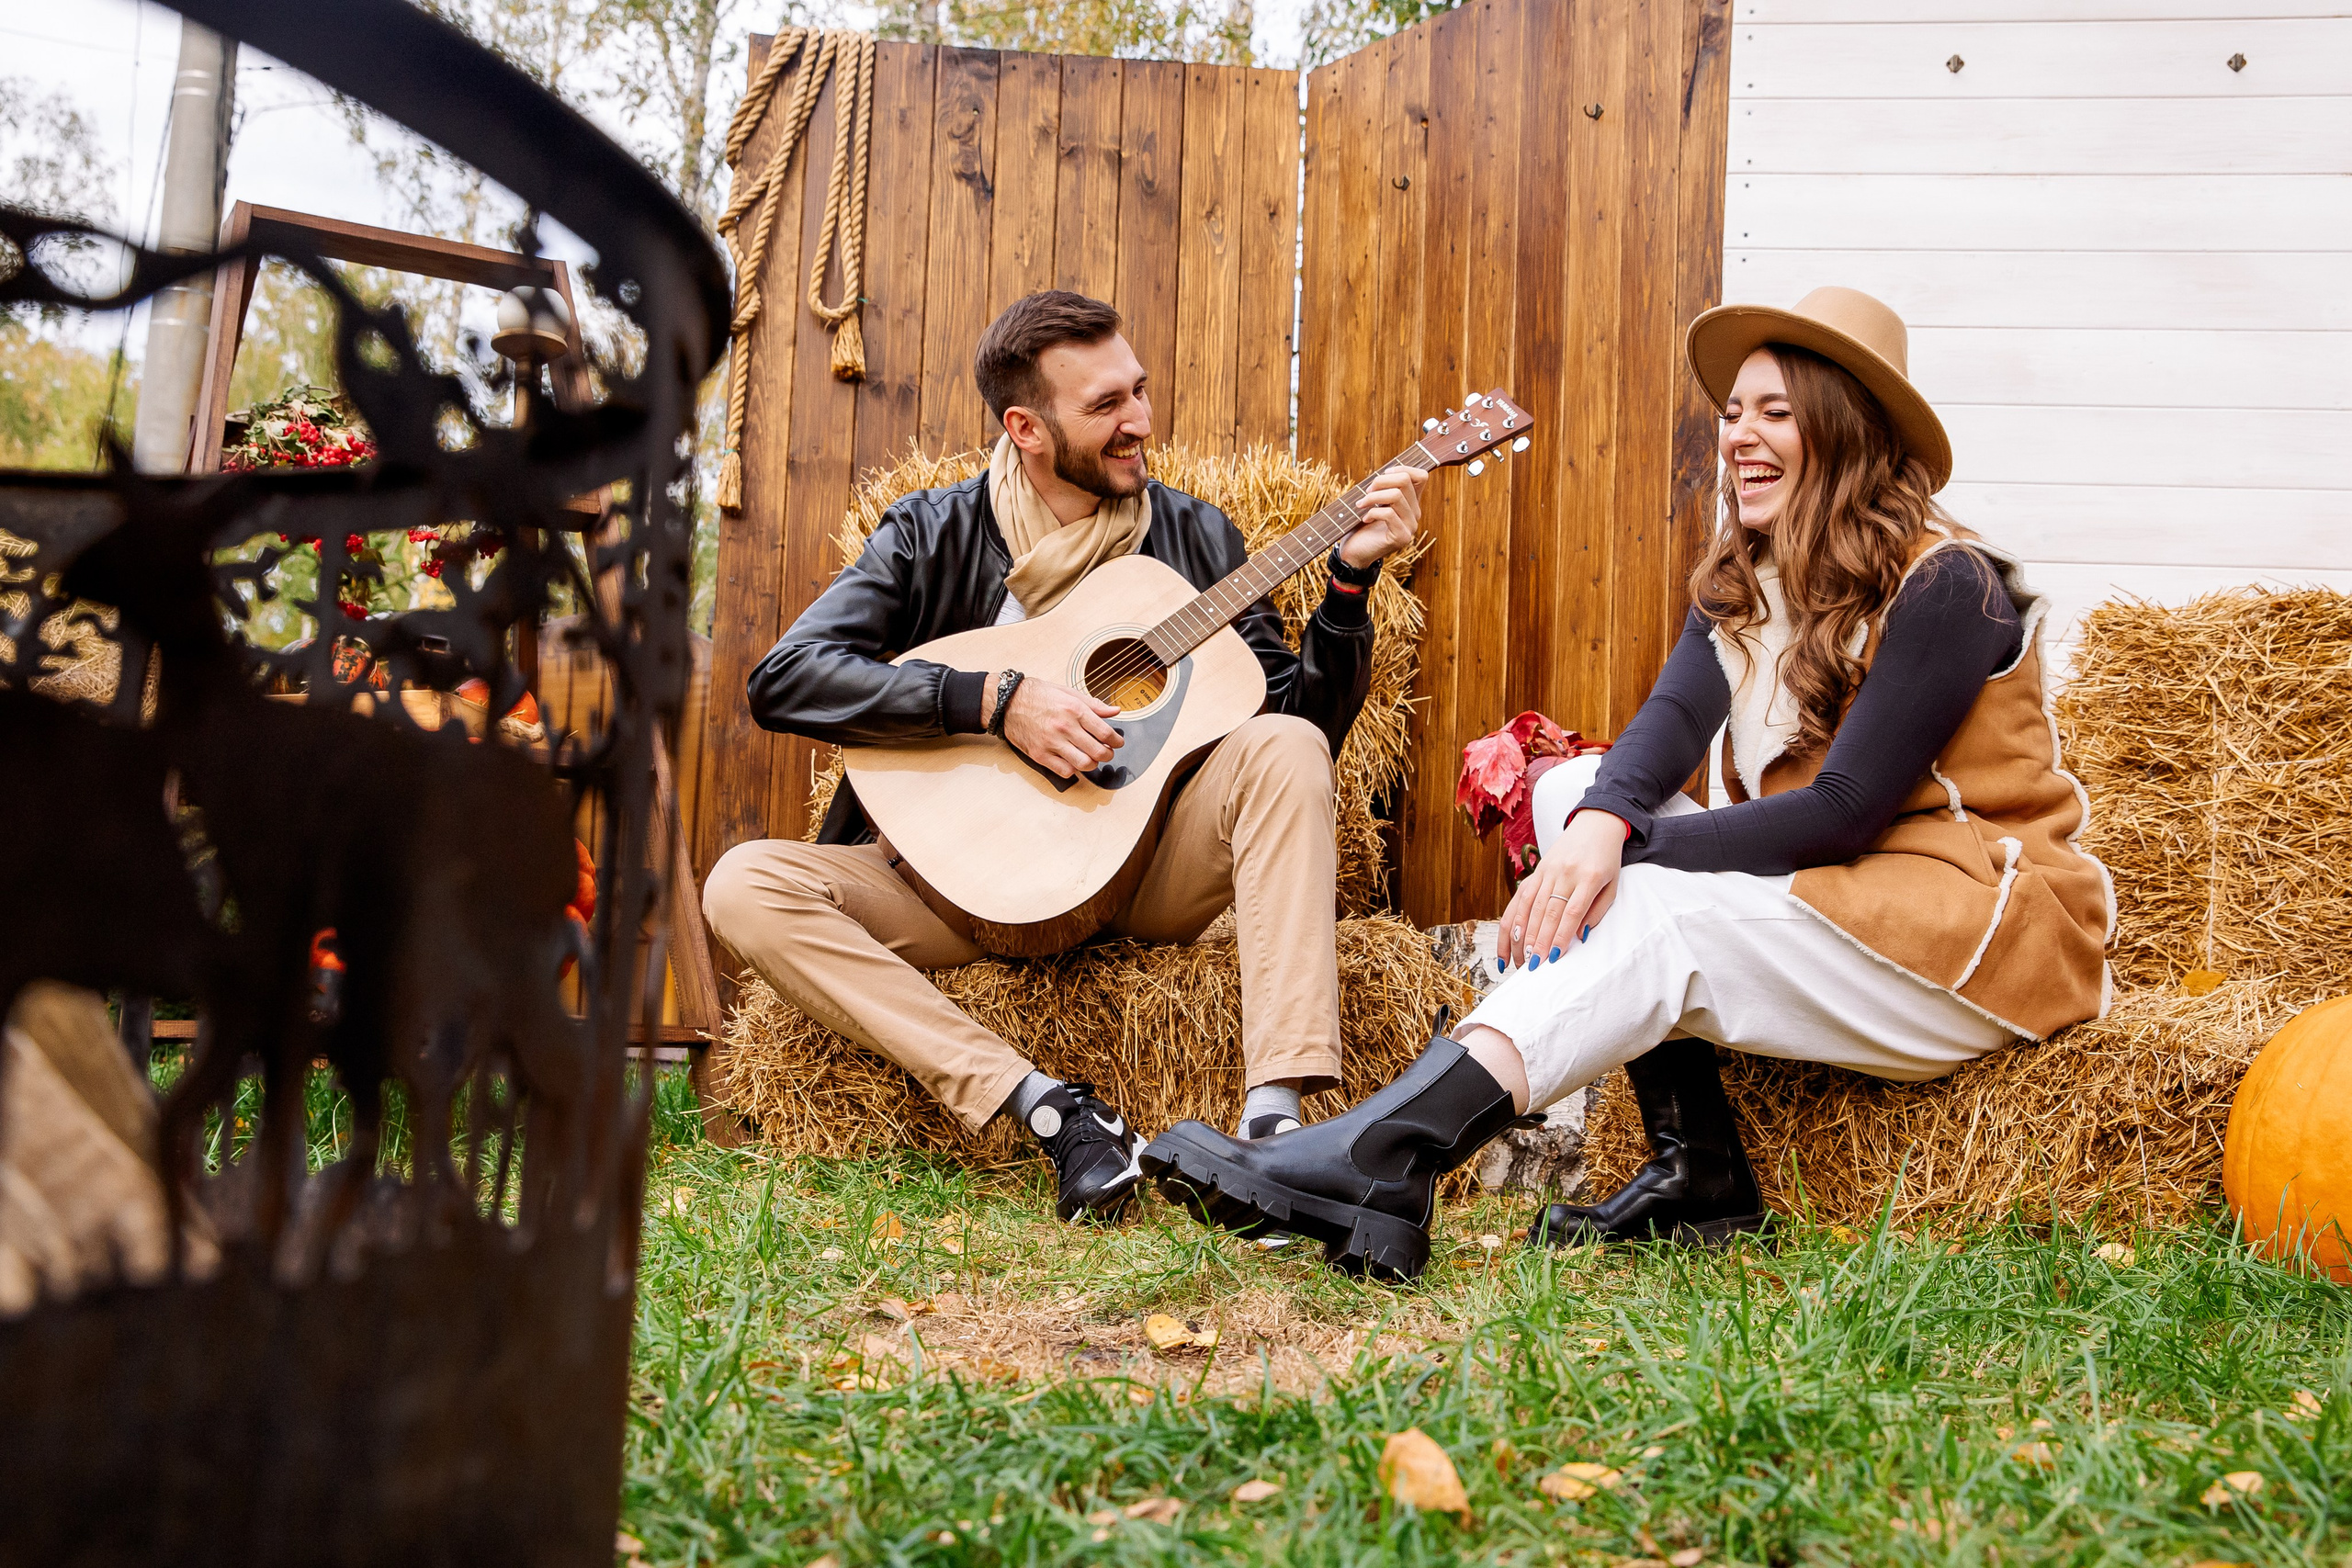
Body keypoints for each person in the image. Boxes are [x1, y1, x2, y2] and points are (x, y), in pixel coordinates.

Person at [1141, 287, 2115, 1280]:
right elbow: (1660, 734)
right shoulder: (1751, 575)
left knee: (1640, 887)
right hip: (1849, 912)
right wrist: (1598, 822)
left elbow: (1844, 813)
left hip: (1969, 932)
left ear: (1848, 428)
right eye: (1732, 412)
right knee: (1578, 791)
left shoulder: (1948, 584)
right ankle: (1701, 1176)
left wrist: (1622, 848)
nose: (1739, 434)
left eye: (1775, 411)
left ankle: (1388, 1157)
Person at [702, 290, 1429, 1224]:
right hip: (956, 888)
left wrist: (1349, 582)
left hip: (1142, 869)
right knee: (744, 884)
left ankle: (1280, 1133)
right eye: (1104, 407)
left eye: (1139, 391)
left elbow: (1300, 726)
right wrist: (993, 701)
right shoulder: (931, 532)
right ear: (1026, 428)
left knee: (1281, 743)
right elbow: (787, 679)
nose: (1138, 422)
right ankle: (1047, 1110)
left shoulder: (1196, 536)